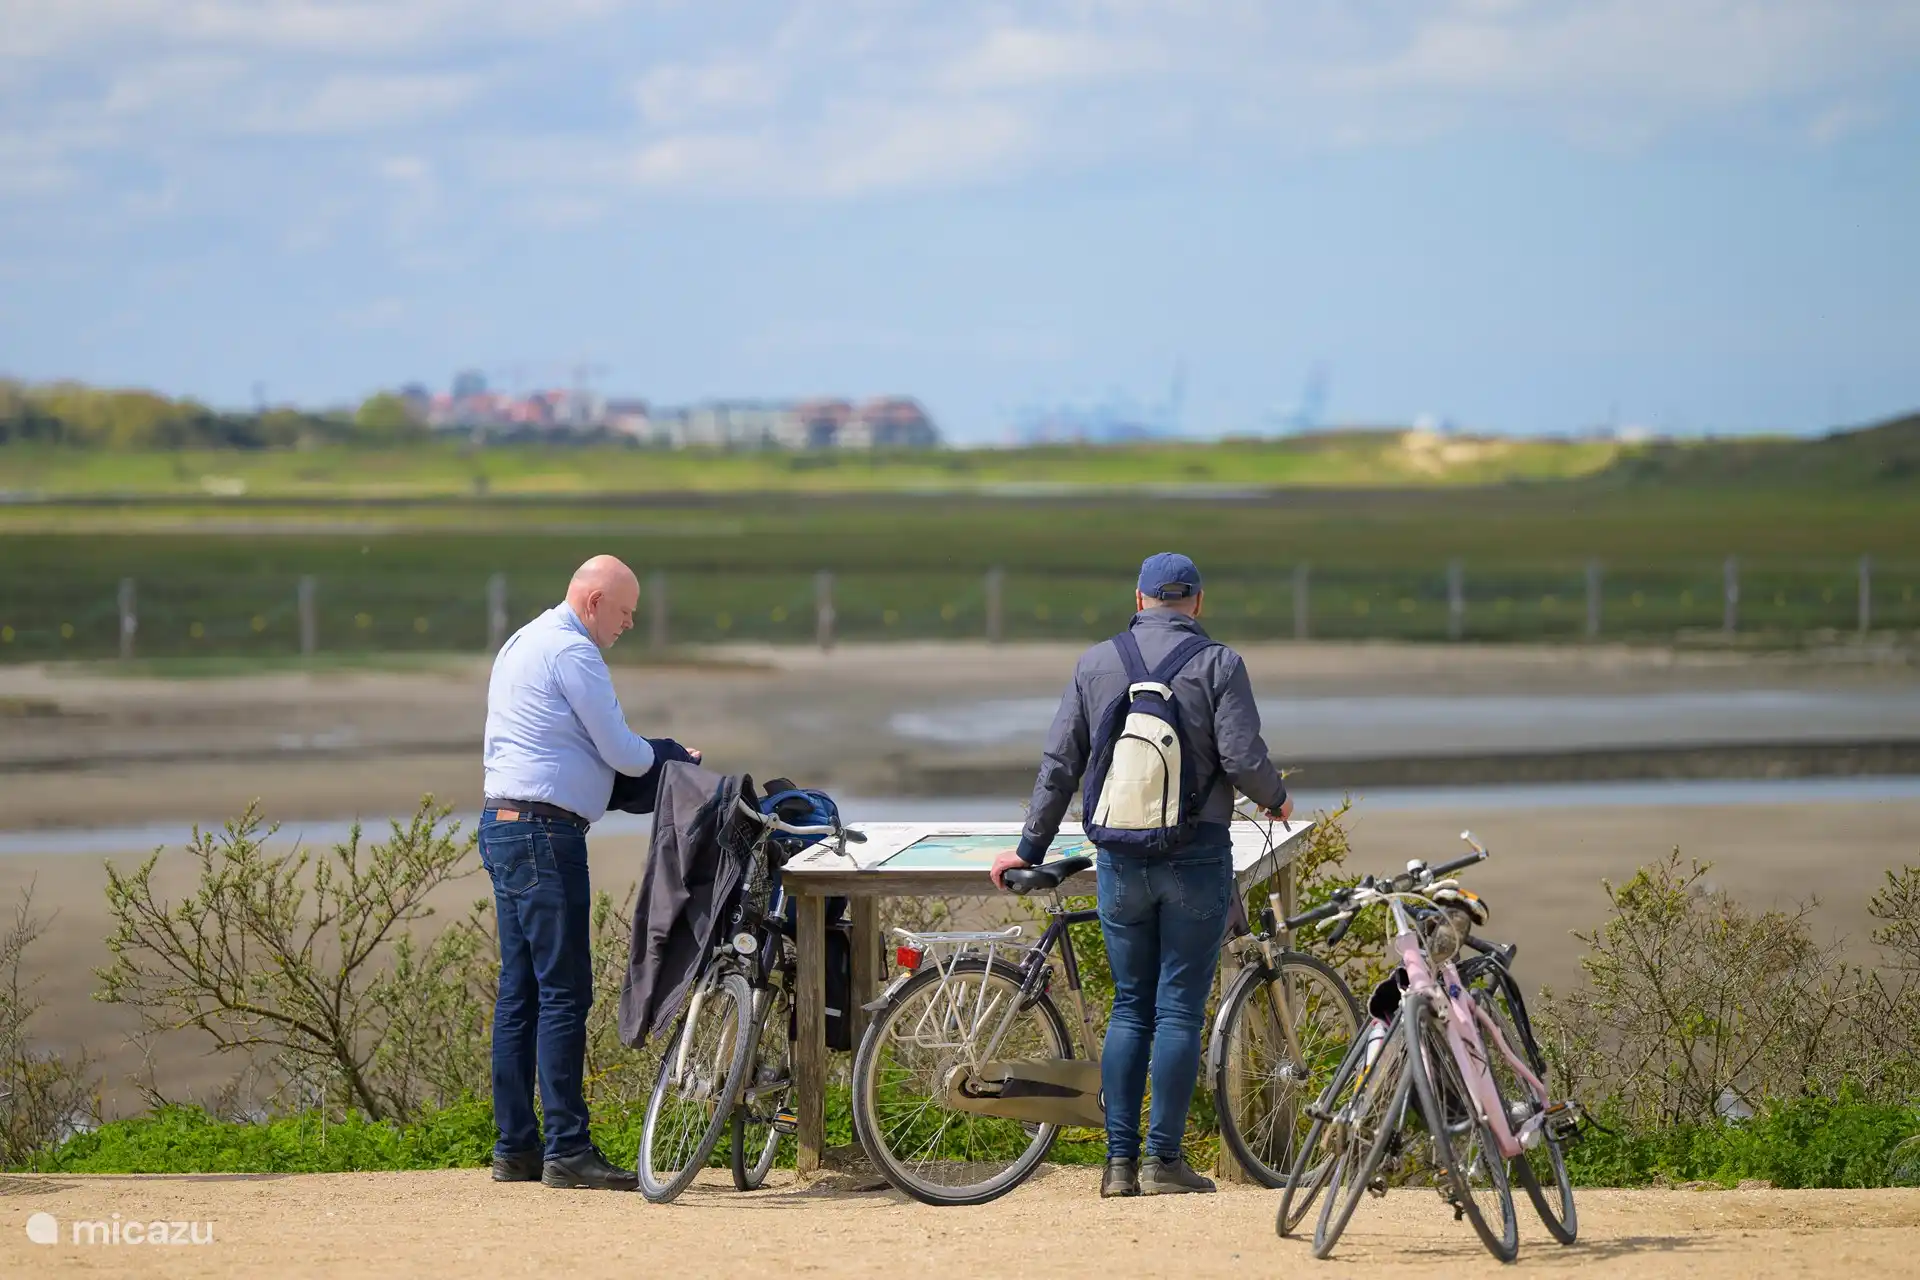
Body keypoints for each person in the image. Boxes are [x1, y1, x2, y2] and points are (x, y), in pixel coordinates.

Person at [990, 552, 1292, 1198]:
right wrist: (1276, 798)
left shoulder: (1096, 663)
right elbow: (1242, 757)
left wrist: (1028, 847)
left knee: (1131, 1006)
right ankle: (1164, 1162)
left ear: (1138, 598)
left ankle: (1118, 1166)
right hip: (1197, 854)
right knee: (1178, 1009)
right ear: (1198, 603)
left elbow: (1059, 762)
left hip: (1120, 859)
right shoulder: (1220, 664)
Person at [480, 554, 699, 1191]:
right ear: (595, 601)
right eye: (625, 612)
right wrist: (674, 756)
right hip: (545, 837)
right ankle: (568, 1149)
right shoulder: (573, 651)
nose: (628, 624)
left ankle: (516, 1148)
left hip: (502, 824)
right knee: (564, 993)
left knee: (519, 993)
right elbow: (623, 753)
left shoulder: (522, 641)